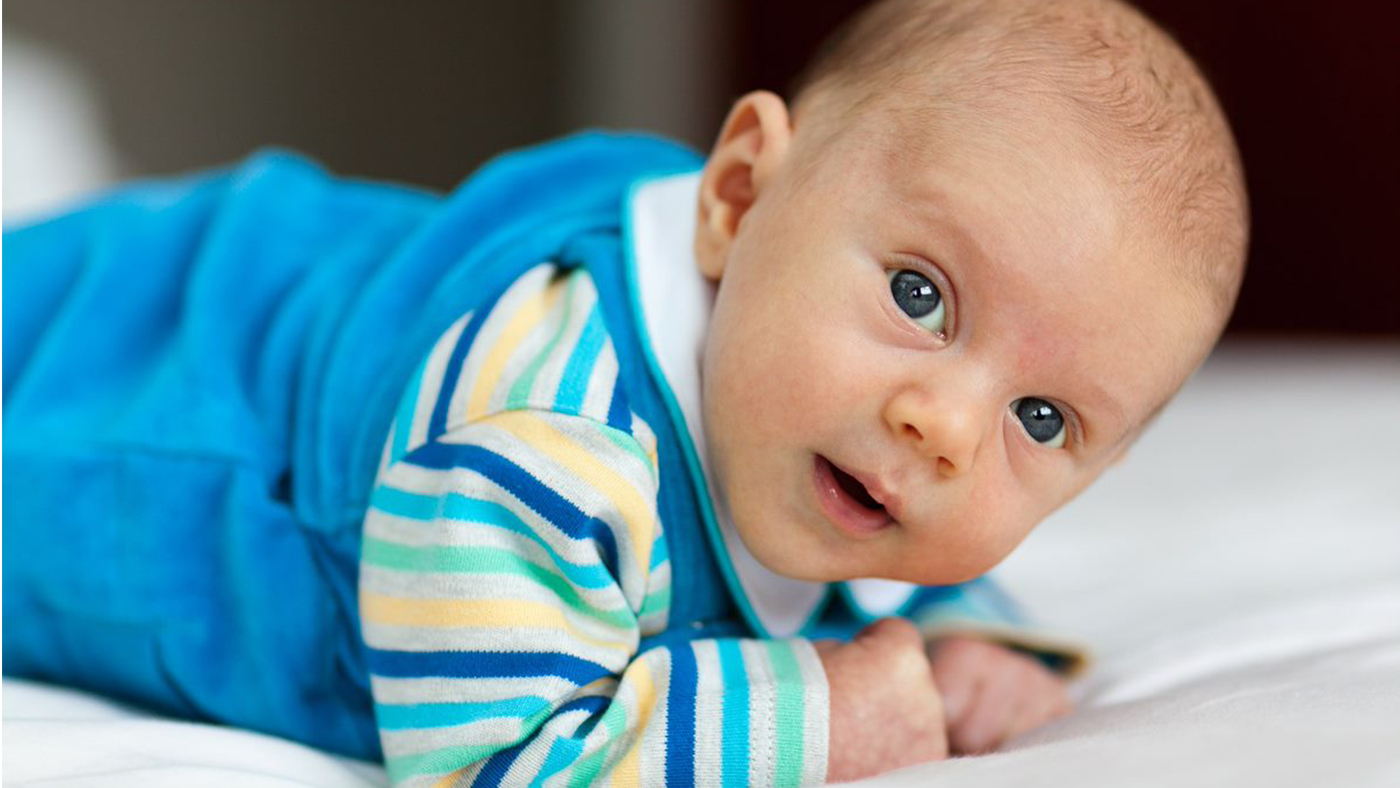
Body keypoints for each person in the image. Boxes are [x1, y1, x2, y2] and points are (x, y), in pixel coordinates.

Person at [2, 0, 1248, 784]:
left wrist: (967, 628)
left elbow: (869, 531)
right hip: (101, 383)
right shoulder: (545, 440)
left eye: (1044, 420)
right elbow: (497, 754)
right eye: (921, 296)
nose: (948, 425)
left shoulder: (814, 351)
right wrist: (819, 715)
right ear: (739, 194)